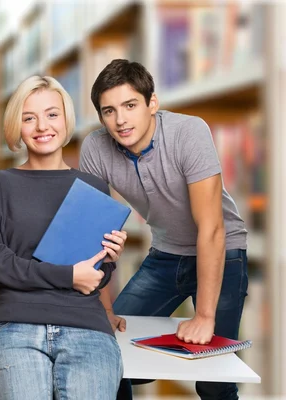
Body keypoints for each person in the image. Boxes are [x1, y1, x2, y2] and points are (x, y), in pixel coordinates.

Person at [79, 59, 248, 400]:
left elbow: (212, 228)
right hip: (166, 255)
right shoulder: (95, 148)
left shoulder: (189, 132)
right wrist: (105, 311)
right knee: (108, 350)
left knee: (214, 375)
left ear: (151, 103)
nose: (121, 119)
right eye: (109, 111)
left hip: (223, 252)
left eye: (130, 105)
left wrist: (203, 315)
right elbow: (90, 234)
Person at [0, 75, 126, 400]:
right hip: (14, 323)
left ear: (66, 118)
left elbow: (93, 280)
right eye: (29, 117)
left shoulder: (93, 187)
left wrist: (108, 260)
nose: (42, 126)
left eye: (52, 114)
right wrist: (68, 276)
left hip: (85, 325)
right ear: (18, 125)